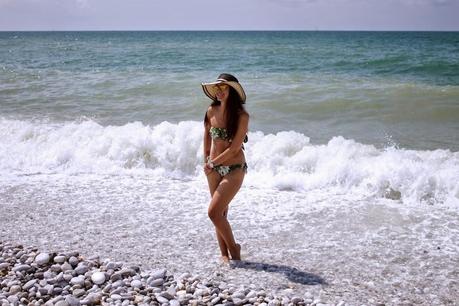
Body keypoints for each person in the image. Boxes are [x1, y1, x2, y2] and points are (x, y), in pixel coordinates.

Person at [202, 73, 249, 262]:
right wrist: (206, 160)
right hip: (212, 169)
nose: (219, 91)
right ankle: (224, 254)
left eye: (224, 87)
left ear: (232, 90)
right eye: (217, 88)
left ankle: (234, 250)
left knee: (213, 212)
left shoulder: (241, 116)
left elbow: (234, 148)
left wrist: (213, 163)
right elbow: (206, 137)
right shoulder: (211, 111)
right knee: (220, 214)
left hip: (234, 168)